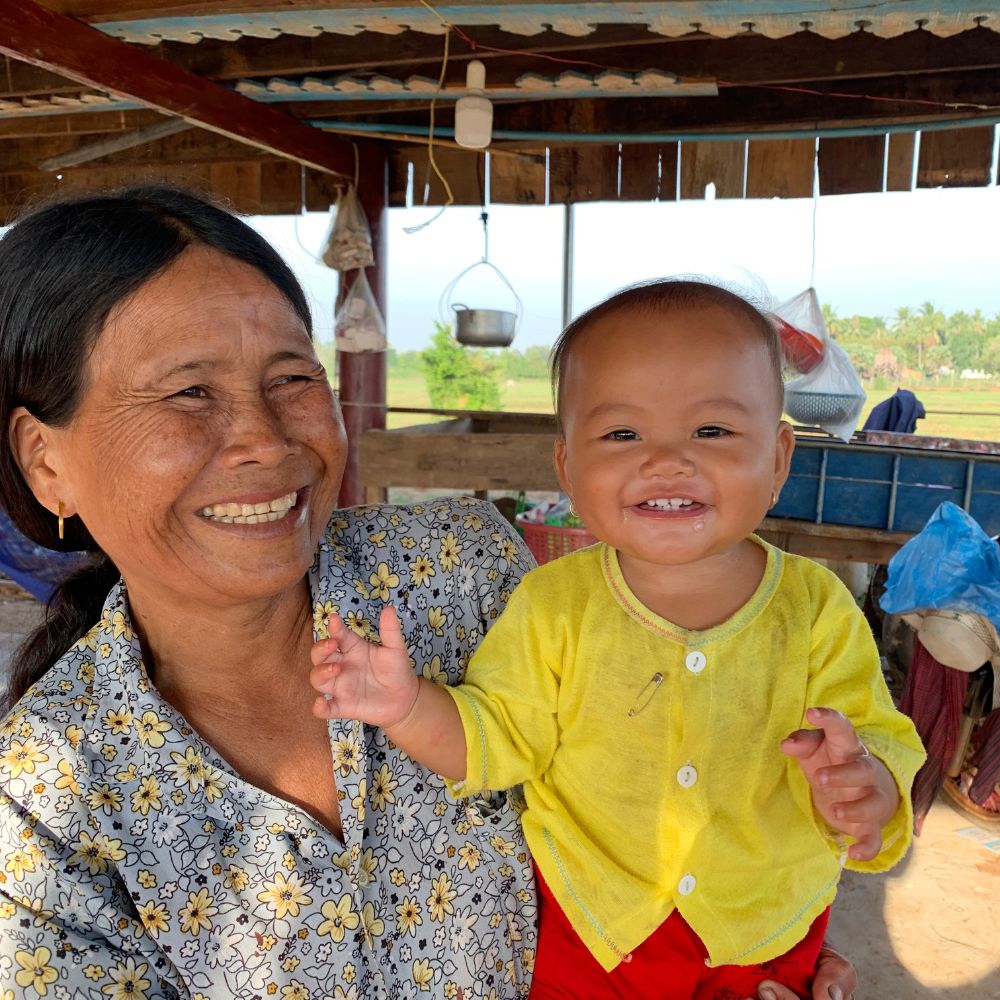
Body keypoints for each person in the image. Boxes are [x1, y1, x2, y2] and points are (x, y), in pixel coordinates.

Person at [0, 187, 858, 1000]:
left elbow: (667, 777)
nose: (264, 441)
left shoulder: (461, 572)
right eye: (189, 392)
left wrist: (753, 938)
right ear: (46, 460)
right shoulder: (41, 806)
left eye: (293, 378)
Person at [311, 280, 926, 998]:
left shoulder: (817, 607)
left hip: (767, 928)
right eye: (623, 434)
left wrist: (869, 786)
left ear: (780, 458)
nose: (666, 459)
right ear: (568, 468)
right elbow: (498, 734)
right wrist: (409, 704)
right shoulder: (553, 606)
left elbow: (877, 736)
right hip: (595, 932)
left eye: (713, 431)